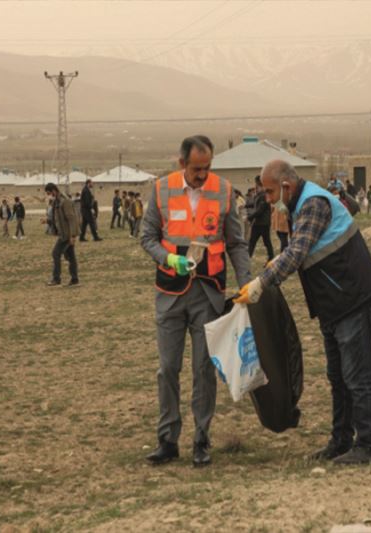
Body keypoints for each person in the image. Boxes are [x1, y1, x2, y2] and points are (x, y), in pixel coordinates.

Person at [236, 159, 371, 465]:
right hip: (334, 304)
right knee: (338, 377)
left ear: (286, 187)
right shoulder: (299, 204)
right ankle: (341, 440)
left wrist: (262, 282)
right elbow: (301, 250)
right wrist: (274, 264)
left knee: (358, 377)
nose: (267, 199)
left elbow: (298, 251)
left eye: (269, 192)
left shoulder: (313, 203)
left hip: (353, 299)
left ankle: (367, 445)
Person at [141, 135, 251, 468]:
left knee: (204, 369)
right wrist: (167, 258)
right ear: (182, 164)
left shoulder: (224, 190)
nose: (203, 175)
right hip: (170, 293)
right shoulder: (162, 190)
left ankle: (201, 440)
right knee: (168, 369)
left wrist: (246, 283)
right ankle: (167, 439)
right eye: (196, 169)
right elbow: (146, 236)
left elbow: (236, 243)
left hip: (208, 293)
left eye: (207, 168)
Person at [44, 183, 80, 286]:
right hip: (64, 233)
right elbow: (58, 219)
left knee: (56, 253)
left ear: (54, 190)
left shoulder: (65, 201)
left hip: (67, 234)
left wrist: (73, 236)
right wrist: (47, 221)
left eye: (49, 193)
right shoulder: (57, 202)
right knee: (71, 256)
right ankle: (74, 279)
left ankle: (56, 278)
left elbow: (71, 219)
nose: (49, 195)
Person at [247, 176, 274, 261]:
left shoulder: (264, 195)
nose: (255, 187)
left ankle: (248, 257)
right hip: (260, 223)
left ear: (260, 185)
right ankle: (271, 256)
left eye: (256, 185)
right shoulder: (260, 195)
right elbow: (255, 204)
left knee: (254, 241)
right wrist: (245, 205)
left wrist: (249, 217)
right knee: (263, 241)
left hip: (262, 223)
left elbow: (260, 210)